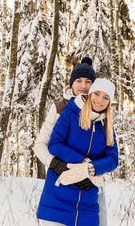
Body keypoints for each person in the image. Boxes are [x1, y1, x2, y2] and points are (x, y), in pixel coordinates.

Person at [33, 58, 109, 223]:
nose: (83, 85)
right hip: (62, 183)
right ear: (71, 84)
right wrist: (55, 164)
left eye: (88, 81)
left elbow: (108, 153)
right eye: (78, 80)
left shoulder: (103, 113)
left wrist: (93, 172)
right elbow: (40, 145)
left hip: (90, 188)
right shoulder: (60, 108)